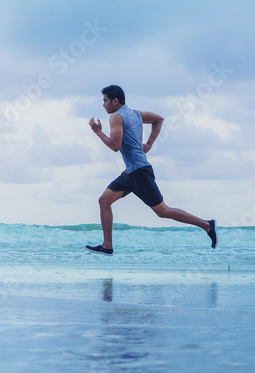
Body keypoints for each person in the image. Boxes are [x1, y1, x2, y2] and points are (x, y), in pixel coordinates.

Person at [85, 85, 216, 254]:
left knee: (163, 211)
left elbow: (115, 146)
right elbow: (158, 119)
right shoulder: (136, 114)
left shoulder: (116, 117)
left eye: (105, 101)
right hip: (131, 172)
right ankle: (107, 245)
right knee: (104, 201)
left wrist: (98, 132)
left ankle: (206, 225)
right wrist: (149, 144)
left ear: (115, 101)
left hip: (139, 172)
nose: (103, 105)